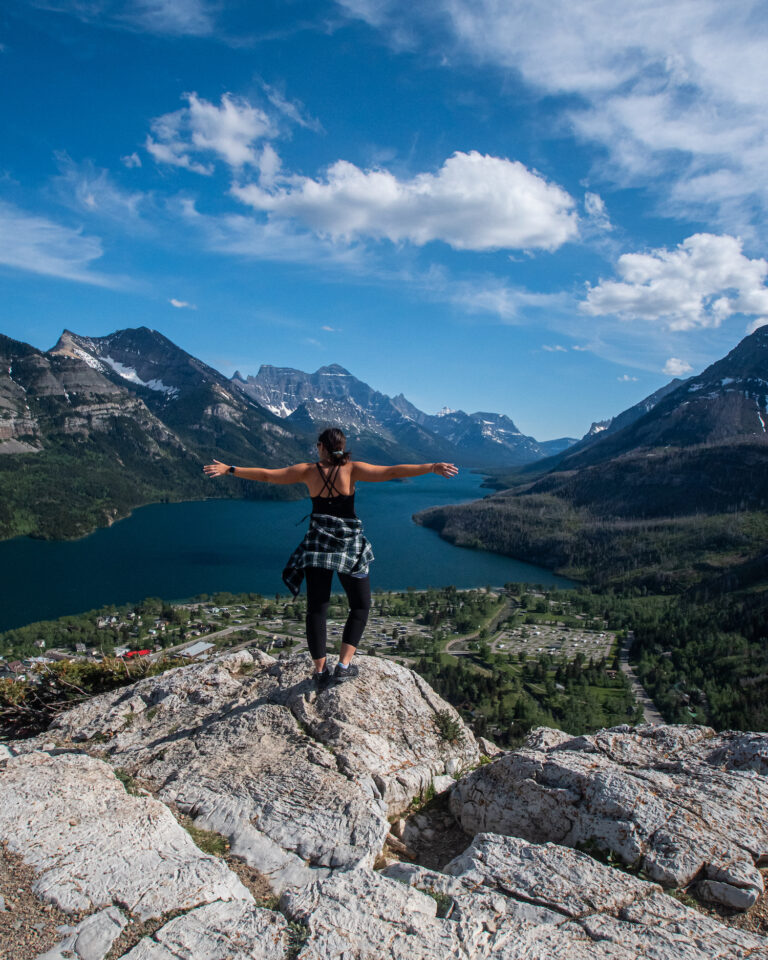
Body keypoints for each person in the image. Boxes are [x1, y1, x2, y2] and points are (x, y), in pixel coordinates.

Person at [203, 427, 458, 690]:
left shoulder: (307, 471)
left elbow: (268, 476)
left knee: (316, 609)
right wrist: (431, 467)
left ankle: (320, 671)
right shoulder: (352, 470)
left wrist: (230, 469)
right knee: (360, 606)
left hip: (318, 544)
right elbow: (393, 471)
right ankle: (344, 666)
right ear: (342, 447)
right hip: (349, 544)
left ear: (320, 447)